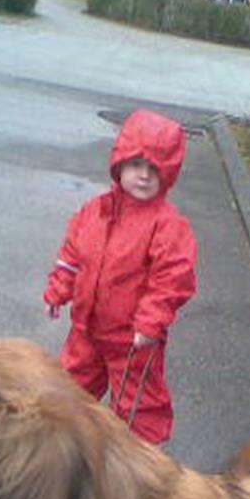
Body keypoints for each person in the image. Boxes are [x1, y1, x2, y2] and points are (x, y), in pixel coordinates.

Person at [44, 109, 197, 445]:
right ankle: (62, 445)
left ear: (168, 173)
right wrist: (59, 288)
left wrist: (150, 322)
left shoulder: (167, 225)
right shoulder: (94, 211)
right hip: (86, 328)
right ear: (120, 165)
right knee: (69, 388)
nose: (144, 176)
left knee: (138, 406)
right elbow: (72, 254)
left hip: (133, 340)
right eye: (136, 165)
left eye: (155, 169)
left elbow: (172, 280)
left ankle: (137, 460)